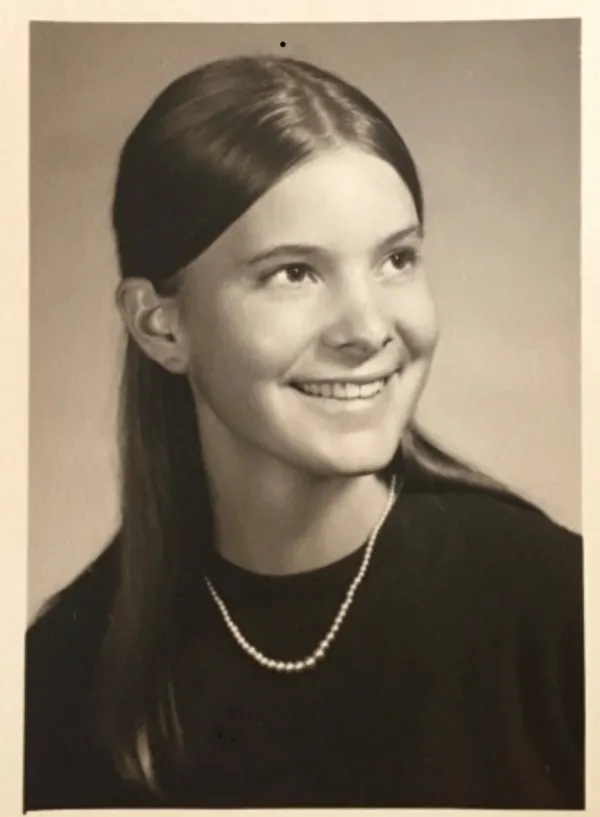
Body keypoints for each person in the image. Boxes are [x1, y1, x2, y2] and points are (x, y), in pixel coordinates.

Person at [24, 54, 584, 811]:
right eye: (294, 272)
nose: (367, 329)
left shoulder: (559, 608)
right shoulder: (60, 674)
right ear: (160, 326)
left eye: (396, 259)